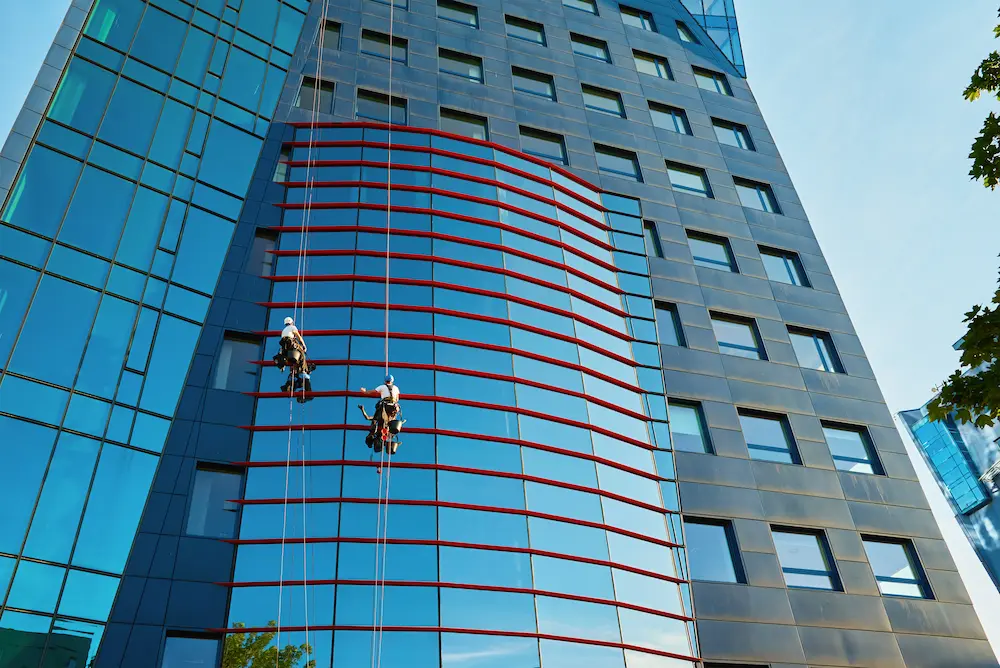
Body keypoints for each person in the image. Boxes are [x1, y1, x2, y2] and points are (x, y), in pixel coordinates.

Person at [359, 374, 403, 453]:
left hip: (385, 407)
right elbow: (397, 398)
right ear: (392, 381)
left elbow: (372, 392)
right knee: (392, 423)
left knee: (377, 418)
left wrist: (364, 392)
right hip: (394, 408)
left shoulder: (382, 387)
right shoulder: (396, 388)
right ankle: (389, 437)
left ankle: (381, 439)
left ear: (385, 381)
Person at [274, 316, 314, 398]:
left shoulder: (283, 331)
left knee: (295, 371)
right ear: (291, 322)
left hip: (287, 351)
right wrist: (303, 345)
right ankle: (304, 370)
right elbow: (298, 336)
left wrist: (282, 365)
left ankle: (289, 388)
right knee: (302, 356)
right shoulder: (292, 327)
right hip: (292, 348)